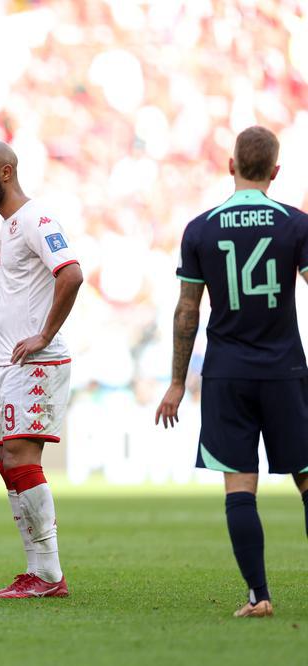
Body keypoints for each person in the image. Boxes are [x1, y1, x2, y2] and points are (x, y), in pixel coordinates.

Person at [155, 126, 308, 618]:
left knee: (240, 486)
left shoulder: (201, 228)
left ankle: (259, 596)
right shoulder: (296, 225)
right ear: (276, 172)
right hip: (286, 370)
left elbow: (186, 309)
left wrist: (178, 381)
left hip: (227, 374)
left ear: (231, 166)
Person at [0, 141, 82, 599]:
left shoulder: (36, 219)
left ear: (6, 173)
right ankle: (37, 570)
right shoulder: (11, 225)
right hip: (10, 362)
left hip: (36, 361)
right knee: (7, 460)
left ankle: (50, 575)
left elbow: (70, 273)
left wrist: (44, 335)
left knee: (19, 457)